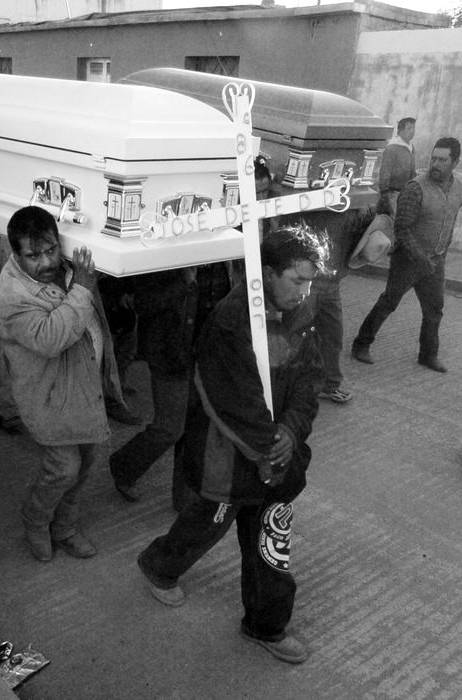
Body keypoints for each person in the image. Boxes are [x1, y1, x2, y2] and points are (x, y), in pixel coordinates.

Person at [136, 227, 327, 665]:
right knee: (207, 523)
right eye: (297, 280)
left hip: (276, 458)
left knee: (269, 544)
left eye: (311, 280)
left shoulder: (300, 313)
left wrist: (292, 432)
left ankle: (266, 626)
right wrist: (269, 450)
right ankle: (158, 565)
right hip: (231, 457)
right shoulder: (229, 321)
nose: (305, 290)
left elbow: (308, 381)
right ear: (268, 273)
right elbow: (233, 401)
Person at [0, 206, 126, 562]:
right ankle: (36, 523)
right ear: (15, 253)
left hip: (83, 385)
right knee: (63, 469)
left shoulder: (69, 264)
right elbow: (51, 338)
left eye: (51, 249)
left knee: (84, 465)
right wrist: (83, 287)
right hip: (48, 396)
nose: (45, 261)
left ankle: (64, 528)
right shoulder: (13, 293)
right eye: (33, 255)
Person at [108, 263, 231, 503]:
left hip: (206, 351)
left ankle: (185, 496)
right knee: (170, 428)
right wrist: (185, 282)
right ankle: (124, 467)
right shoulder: (168, 251)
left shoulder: (226, 247)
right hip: (170, 352)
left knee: (195, 425)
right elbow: (143, 304)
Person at [351, 136, 462, 373]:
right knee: (389, 303)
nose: (435, 164)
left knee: (434, 310)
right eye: (433, 158)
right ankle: (361, 344)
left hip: (435, 261)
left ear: (455, 162)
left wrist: (441, 254)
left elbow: (451, 222)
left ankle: (428, 355)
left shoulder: (459, 190)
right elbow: (401, 228)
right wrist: (420, 258)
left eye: (442, 160)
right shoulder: (415, 188)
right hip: (408, 261)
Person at [377, 117, 417, 215]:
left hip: (406, 194)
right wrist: (385, 194)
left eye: (413, 128)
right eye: (409, 128)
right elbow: (385, 172)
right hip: (393, 194)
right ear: (400, 130)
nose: (412, 131)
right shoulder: (392, 148)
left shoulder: (411, 147)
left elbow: (413, 171)